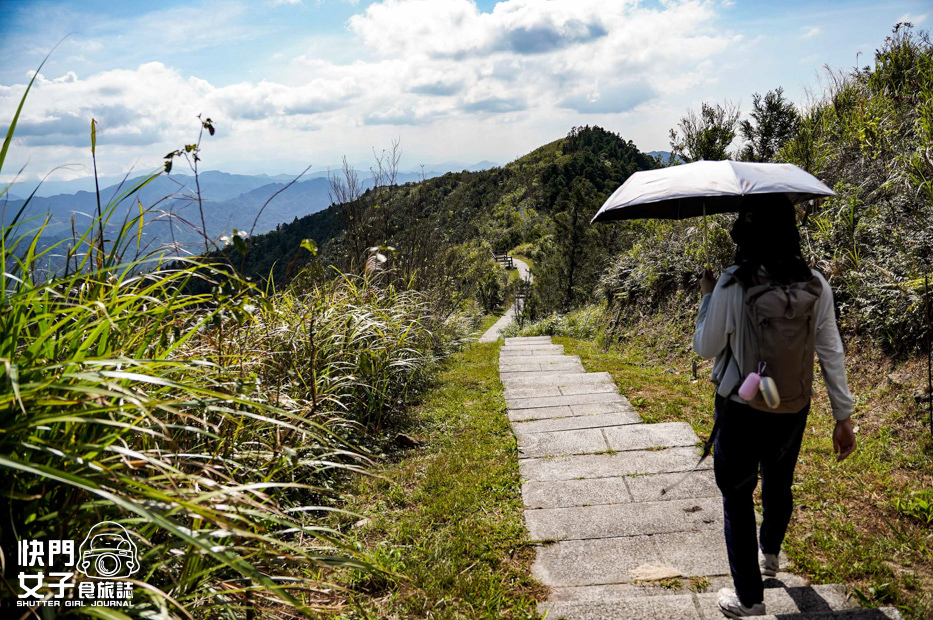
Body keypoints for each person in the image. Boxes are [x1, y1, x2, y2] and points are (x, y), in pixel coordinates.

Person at [692, 195, 857, 618]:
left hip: (742, 405)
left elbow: (705, 347)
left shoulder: (733, 281)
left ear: (745, 233)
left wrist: (707, 298)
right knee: (779, 482)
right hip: (792, 406)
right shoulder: (816, 283)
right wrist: (843, 415)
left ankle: (748, 597)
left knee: (737, 495)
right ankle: (770, 554)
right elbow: (830, 349)